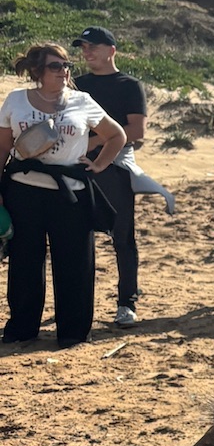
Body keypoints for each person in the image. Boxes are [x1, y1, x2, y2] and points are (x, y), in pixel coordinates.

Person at [0, 43, 126, 348]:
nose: (64, 70)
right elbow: (3, 148)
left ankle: (74, 331)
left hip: (71, 193)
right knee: (25, 261)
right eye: (55, 66)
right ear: (37, 71)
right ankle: (22, 328)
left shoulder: (82, 101)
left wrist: (97, 165)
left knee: (75, 262)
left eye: (66, 65)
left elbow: (117, 135)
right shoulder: (16, 100)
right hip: (23, 189)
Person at [71, 27, 154, 326]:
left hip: (115, 169)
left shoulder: (129, 85)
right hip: (77, 167)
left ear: (112, 50)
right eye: (83, 47)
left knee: (122, 237)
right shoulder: (76, 84)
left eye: (93, 46)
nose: (87, 51)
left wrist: (97, 142)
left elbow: (136, 131)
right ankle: (77, 303)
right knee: (78, 238)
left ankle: (126, 302)